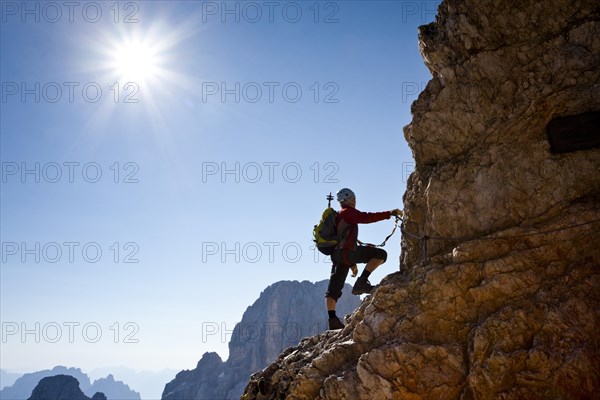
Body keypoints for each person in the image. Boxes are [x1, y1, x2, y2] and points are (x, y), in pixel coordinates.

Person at [326, 188, 402, 330]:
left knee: (332, 291)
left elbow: (343, 241)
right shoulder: (348, 212)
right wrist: (389, 214)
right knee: (380, 254)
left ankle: (332, 320)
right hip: (347, 253)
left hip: (337, 255)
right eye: (354, 199)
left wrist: (352, 264)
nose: (355, 202)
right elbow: (366, 217)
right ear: (351, 200)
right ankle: (362, 282)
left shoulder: (338, 217)